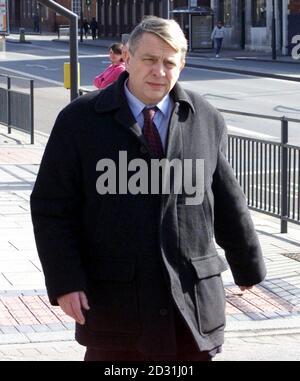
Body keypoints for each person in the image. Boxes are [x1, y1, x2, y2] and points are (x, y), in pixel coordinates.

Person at [30, 16, 266, 362]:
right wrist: (65, 281)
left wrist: (247, 265)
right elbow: (51, 208)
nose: (160, 71)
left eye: (170, 62)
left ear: (182, 64)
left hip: (191, 305)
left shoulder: (205, 117)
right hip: (116, 304)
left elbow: (227, 199)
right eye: (150, 60)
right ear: (127, 57)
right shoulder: (79, 121)